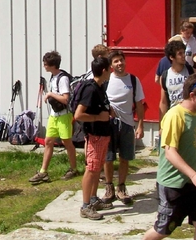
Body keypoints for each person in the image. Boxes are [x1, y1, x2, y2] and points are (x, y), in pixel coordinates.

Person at [125, 74, 196, 240]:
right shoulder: (175, 116)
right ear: (192, 95)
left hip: (194, 184)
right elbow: (170, 151)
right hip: (173, 183)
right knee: (166, 226)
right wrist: (194, 175)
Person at [102, 50, 145, 205]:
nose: (119, 63)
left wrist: (140, 125)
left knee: (125, 158)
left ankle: (121, 187)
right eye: (116, 61)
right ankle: (109, 188)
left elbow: (139, 104)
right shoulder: (106, 80)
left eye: (121, 60)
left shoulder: (133, 80)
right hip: (109, 124)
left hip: (127, 124)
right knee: (108, 158)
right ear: (111, 65)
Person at [29, 51, 78, 184]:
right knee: (48, 141)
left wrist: (50, 94)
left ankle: (74, 169)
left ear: (53, 65)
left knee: (67, 143)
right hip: (54, 115)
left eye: (46, 64)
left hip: (64, 116)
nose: (44, 66)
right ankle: (43, 172)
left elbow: (65, 99)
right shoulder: (53, 76)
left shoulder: (63, 79)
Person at [74, 56, 113, 220]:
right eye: (109, 68)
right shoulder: (90, 89)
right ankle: (85, 206)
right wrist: (99, 118)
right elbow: (78, 115)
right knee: (91, 169)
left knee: (97, 168)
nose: (111, 70)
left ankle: (93, 199)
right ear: (104, 70)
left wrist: (109, 111)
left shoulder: (100, 86)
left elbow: (100, 107)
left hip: (103, 134)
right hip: (95, 135)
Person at [159, 40, 194, 119]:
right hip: (173, 116)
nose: (183, 56)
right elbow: (163, 102)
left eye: (183, 52)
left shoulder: (190, 71)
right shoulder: (165, 76)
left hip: (189, 115)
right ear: (172, 57)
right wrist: (162, 125)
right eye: (180, 54)